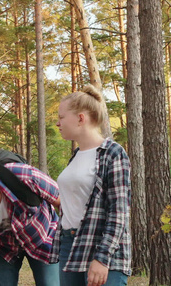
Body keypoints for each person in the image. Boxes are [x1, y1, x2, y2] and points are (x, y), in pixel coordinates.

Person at [55, 84, 131, 286]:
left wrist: (102, 257)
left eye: (62, 117)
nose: (58, 123)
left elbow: (119, 211)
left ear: (81, 118)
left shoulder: (112, 153)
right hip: (69, 246)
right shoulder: (76, 156)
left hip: (101, 246)